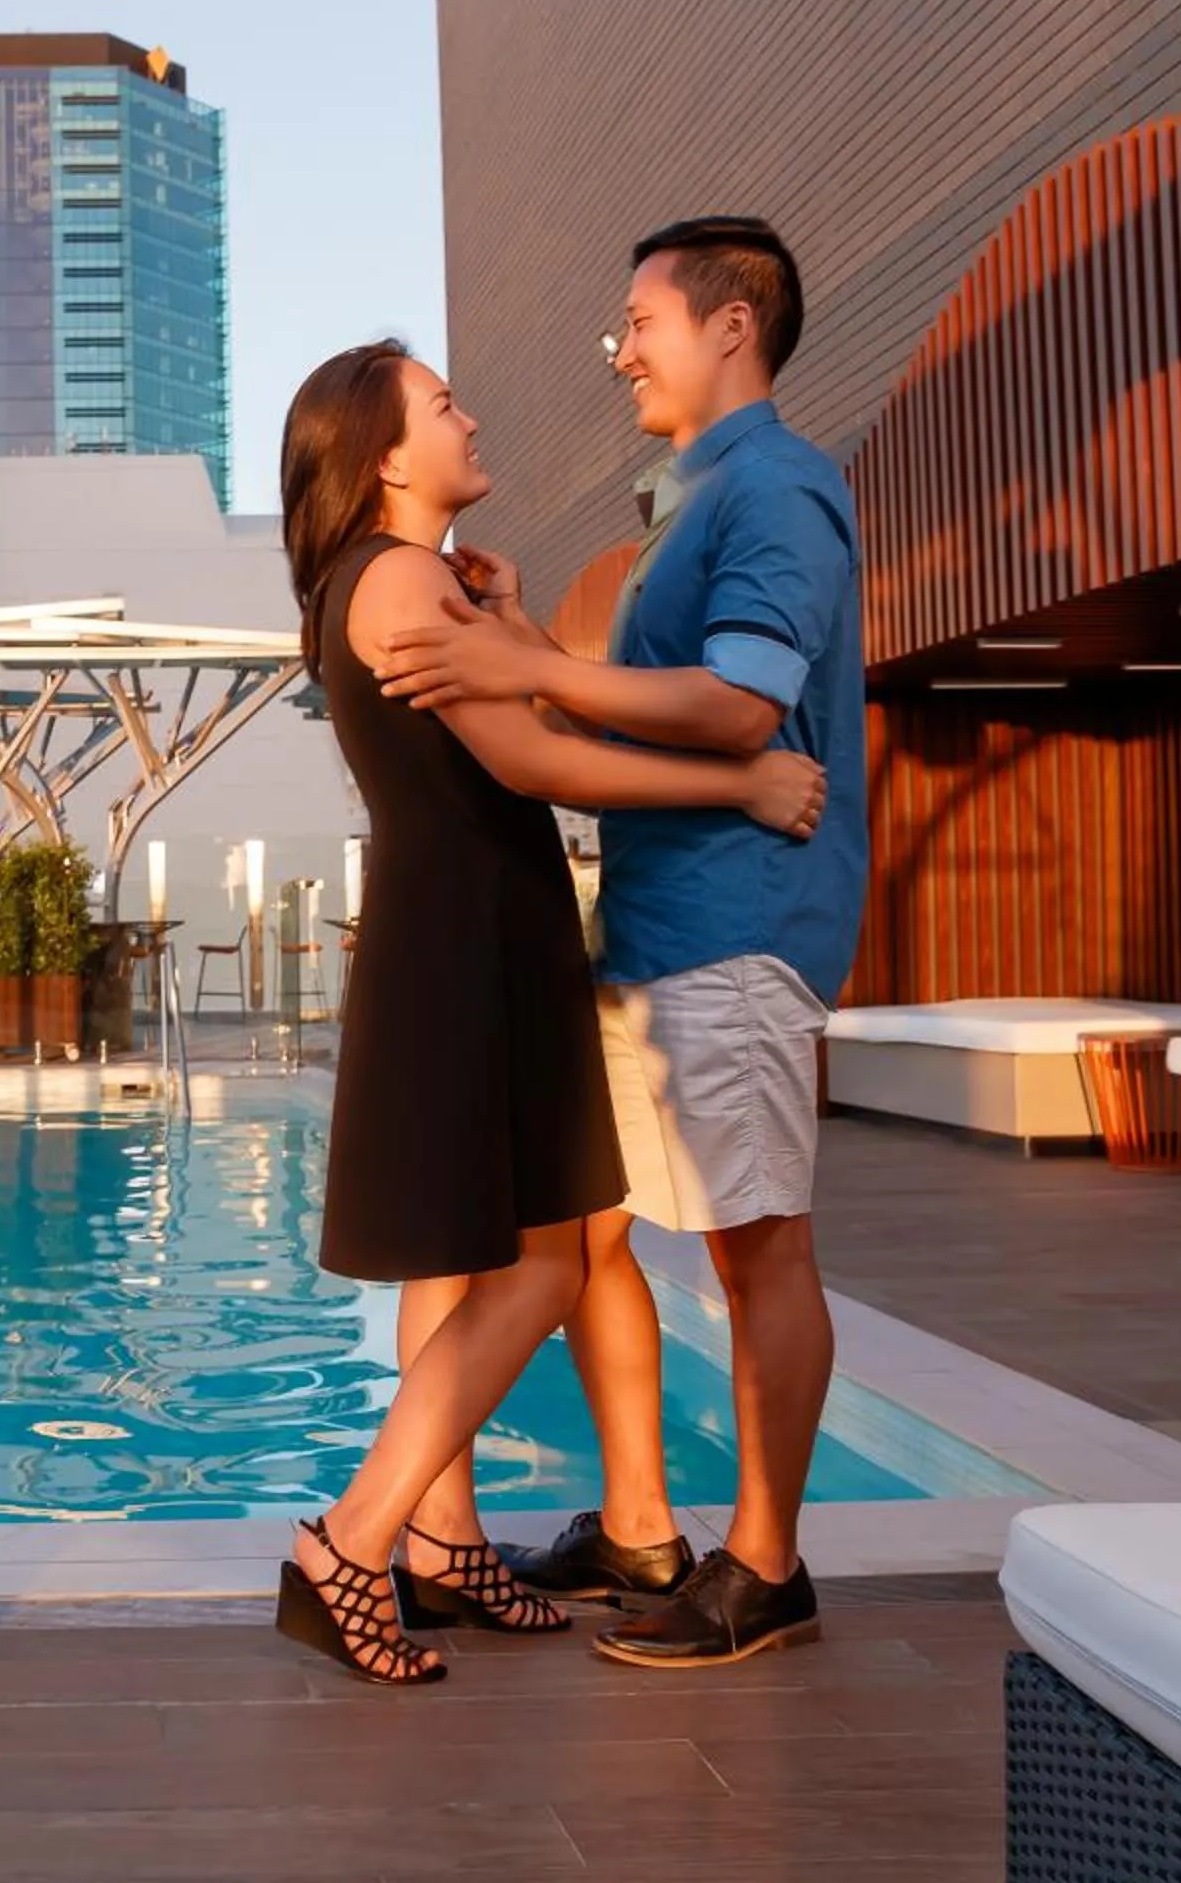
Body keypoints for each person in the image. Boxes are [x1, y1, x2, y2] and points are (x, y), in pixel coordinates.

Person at [275, 338, 826, 1686]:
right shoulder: (399, 577)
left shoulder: (407, 579)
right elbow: (533, 756)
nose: (472, 414)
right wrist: (743, 786)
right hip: (468, 940)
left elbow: (519, 704)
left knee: (516, 1247)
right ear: (387, 455)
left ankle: (435, 1547)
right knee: (534, 1260)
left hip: (478, 932)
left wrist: (512, 624)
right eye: (442, 404)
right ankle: (351, 1543)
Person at [375, 216, 868, 1669]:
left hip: (738, 928)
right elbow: (651, 705)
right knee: (581, 1232)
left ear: (731, 327)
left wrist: (522, 666)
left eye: (638, 323)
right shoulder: (694, 502)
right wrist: (550, 652)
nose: (619, 353)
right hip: (657, 927)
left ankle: (765, 1566)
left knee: (758, 1248)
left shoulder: (780, 487)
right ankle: (641, 1526)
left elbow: (739, 708)